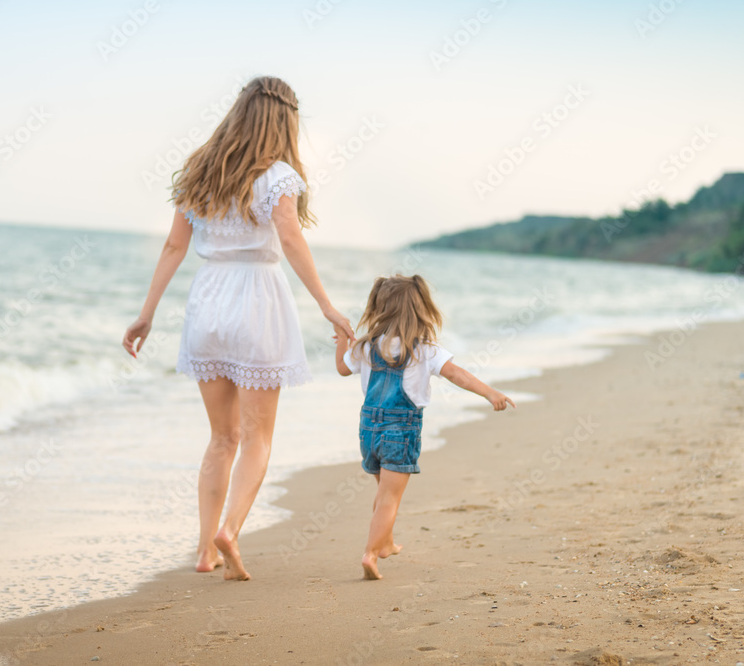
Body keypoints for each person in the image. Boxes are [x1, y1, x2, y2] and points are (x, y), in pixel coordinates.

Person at [123, 76, 355, 581]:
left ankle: (205, 552)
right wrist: (327, 306)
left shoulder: (200, 171)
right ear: (286, 120)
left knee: (220, 438)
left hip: (207, 302)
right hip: (257, 301)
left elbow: (172, 248)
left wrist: (147, 313)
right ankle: (229, 530)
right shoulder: (279, 176)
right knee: (257, 438)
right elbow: (290, 239)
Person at [334, 274, 515, 580]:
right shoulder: (425, 350)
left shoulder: (367, 346)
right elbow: (457, 375)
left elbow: (342, 369)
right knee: (390, 498)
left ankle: (386, 542)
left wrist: (342, 341)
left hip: (368, 430)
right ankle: (369, 554)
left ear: (378, 307)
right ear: (420, 309)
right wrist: (490, 392)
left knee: (383, 493)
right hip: (401, 432)